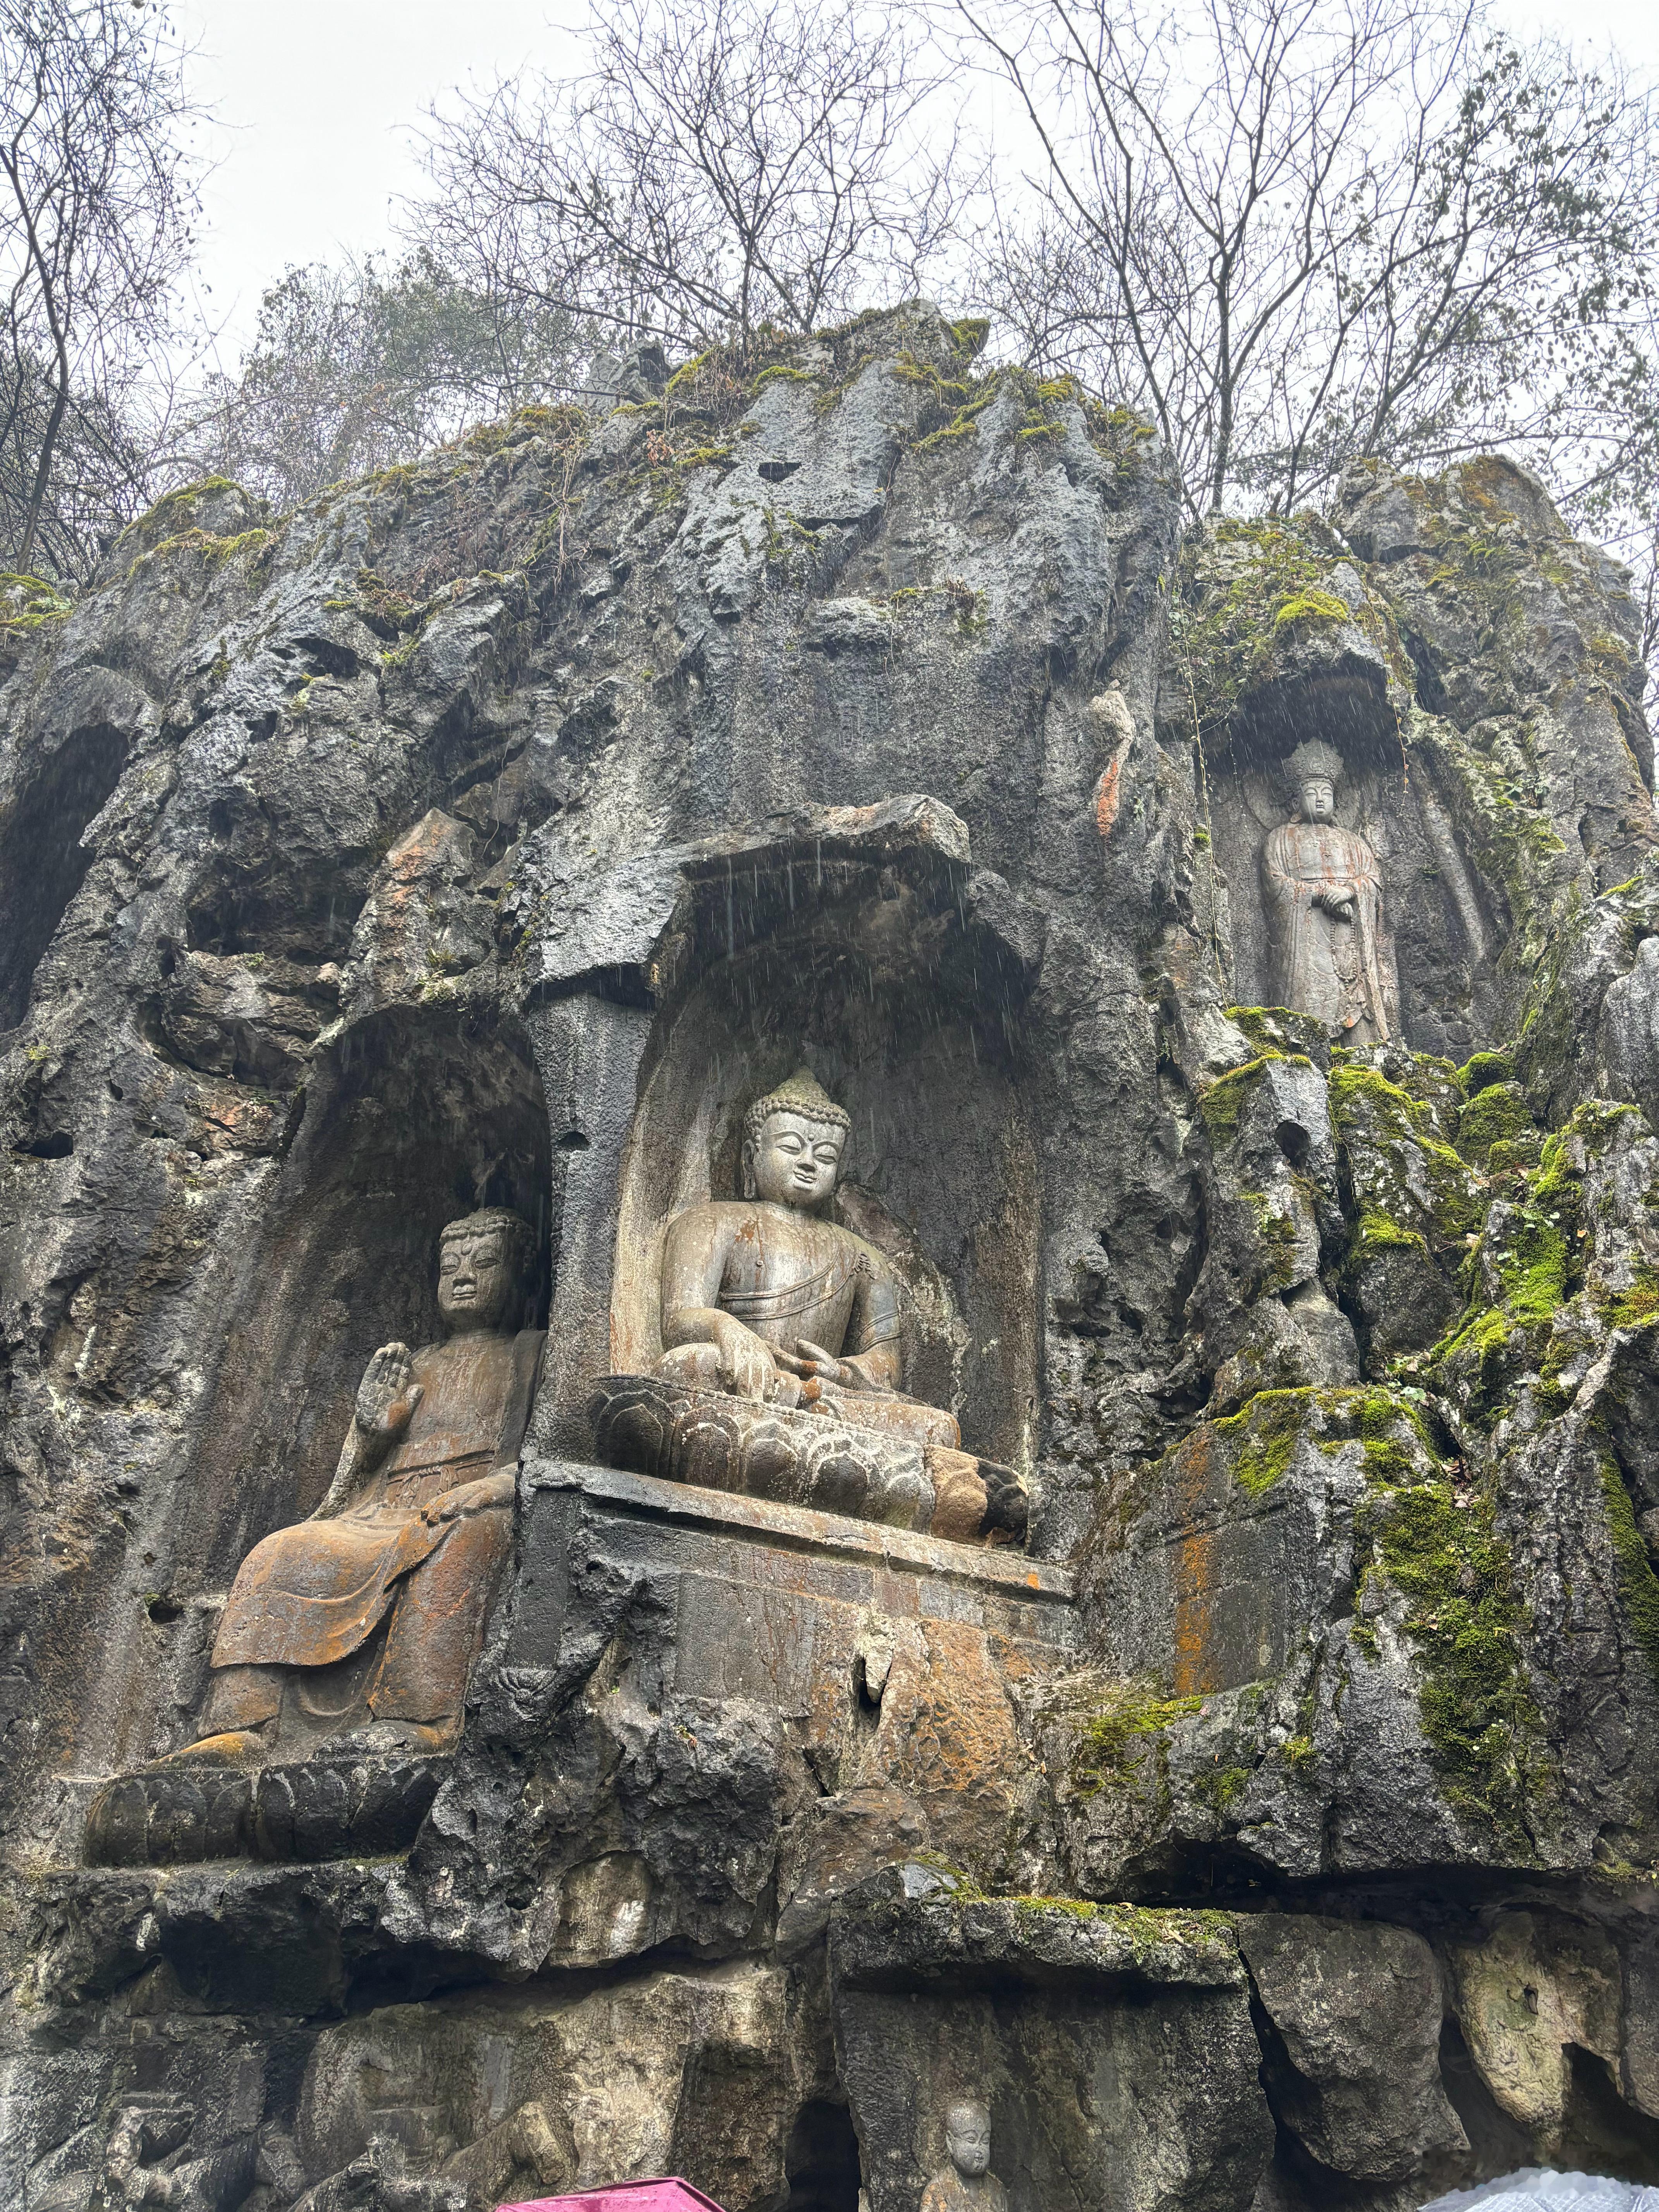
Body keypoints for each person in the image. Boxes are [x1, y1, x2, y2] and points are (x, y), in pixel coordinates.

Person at [167, 1208, 542, 1763]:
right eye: (449, 1268)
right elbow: (361, 1474)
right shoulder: (416, 1362)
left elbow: (546, 1457)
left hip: (469, 1504)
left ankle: (415, 1720)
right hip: (382, 1510)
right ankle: (238, 1727)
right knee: (280, 1552)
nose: (464, 1277)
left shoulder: (531, 1353)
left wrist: (488, 1490)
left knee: (458, 1543)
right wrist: (374, 1428)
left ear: (523, 1276)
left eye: (485, 1263)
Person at [654, 1067, 959, 1449]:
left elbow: (887, 1361)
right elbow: (679, 1320)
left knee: (940, 1428)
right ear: (752, 1157)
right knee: (684, 1367)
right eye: (790, 1146)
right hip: (740, 1377)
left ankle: (796, 1425)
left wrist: (841, 1373)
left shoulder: (864, 1257)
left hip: (821, 1393)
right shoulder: (711, 1222)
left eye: (825, 1155)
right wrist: (727, 1330)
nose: (808, 1163)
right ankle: (804, 1433)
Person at [1261, 738, 1391, 1043]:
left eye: (1327, 793)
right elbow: (1276, 884)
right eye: (1311, 793)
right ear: (1295, 803)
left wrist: (1350, 891)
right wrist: (1319, 894)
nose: (1320, 799)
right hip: (1306, 944)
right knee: (1308, 1014)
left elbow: (1373, 880)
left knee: (1359, 1021)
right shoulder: (1280, 839)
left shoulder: (1354, 843)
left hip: (1350, 938)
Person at [920, 2100, 1007, 2212]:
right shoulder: (937, 2192)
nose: (979, 2149)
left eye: (985, 2141)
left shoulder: (998, 2192)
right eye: (971, 2139)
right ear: (951, 2142)